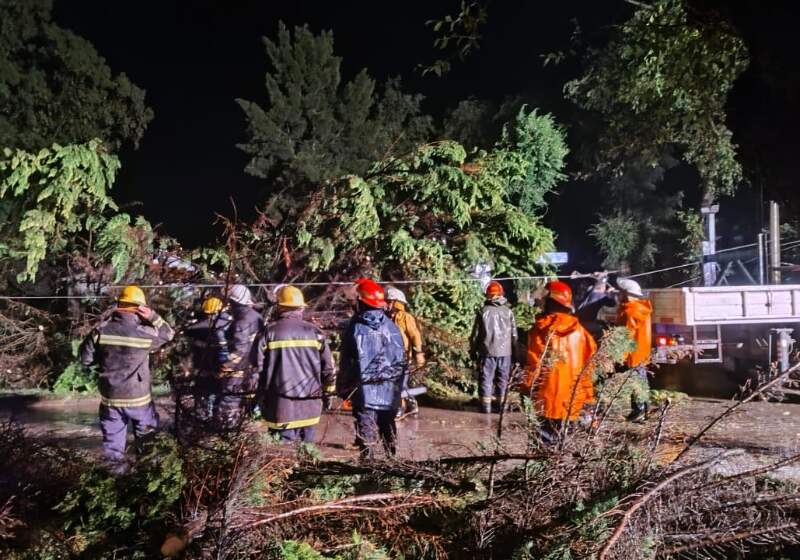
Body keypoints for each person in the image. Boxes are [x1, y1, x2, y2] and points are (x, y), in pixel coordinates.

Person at [79, 285, 174, 472]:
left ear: (119, 304)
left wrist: (103, 364)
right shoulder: (146, 333)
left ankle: (115, 485)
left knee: (113, 449)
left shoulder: (100, 330)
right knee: (148, 447)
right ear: (140, 308)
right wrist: (153, 316)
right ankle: (146, 483)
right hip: (139, 400)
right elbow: (168, 334)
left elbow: (85, 359)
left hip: (111, 399)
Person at [519, 280, 596, 445]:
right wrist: (588, 399)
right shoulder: (582, 333)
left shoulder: (540, 330)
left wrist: (526, 389)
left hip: (545, 399)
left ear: (550, 301)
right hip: (572, 400)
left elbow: (534, 364)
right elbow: (588, 370)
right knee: (562, 449)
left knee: (541, 447)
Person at [256, 285, 335, 442]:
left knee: (281, 460)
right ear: (300, 307)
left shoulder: (268, 333)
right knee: (306, 456)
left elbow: (255, 369)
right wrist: (328, 394)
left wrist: (254, 399)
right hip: (309, 407)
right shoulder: (315, 333)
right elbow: (329, 369)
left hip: (280, 407)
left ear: (279, 307)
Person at [338, 278, 406, 459]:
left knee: (366, 425)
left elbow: (346, 362)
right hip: (389, 389)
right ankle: (393, 462)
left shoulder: (354, 327)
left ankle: (367, 465)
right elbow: (401, 362)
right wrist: (400, 389)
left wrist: (343, 388)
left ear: (361, 302)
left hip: (363, 391)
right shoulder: (392, 327)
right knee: (387, 424)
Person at [217, 284, 264, 427]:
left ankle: (228, 430)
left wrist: (225, 367)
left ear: (234, 302)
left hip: (240, 370)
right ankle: (248, 430)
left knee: (229, 403)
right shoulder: (256, 316)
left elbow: (240, 350)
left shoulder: (241, 323)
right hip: (255, 368)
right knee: (249, 402)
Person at [469, 281, 518, 413]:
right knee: (503, 379)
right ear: (501, 294)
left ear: (488, 295)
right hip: (505, 353)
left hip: (487, 352)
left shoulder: (483, 311)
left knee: (486, 378)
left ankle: (486, 407)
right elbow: (514, 334)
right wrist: (515, 351)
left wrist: (472, 350)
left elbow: (476, 335)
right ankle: (502, 407)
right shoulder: (508, 312)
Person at [184, 295, 231, 422]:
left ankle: (205, 422)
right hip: (222, 371)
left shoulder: (201, 328)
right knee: (218, 399)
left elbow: (190, 331)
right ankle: (216, 421)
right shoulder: (229, 325)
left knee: (204, 400)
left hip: (205, 371)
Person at [615, 278, 653, 423]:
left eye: (620, 292)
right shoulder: (639, 308)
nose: (618, 294)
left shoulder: (630, 311)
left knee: (636, 382)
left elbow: (625, 336)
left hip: (632, 354)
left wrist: (619, 356)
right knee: (640, 380)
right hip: (640, 352)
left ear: (626, 293)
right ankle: (643, 410)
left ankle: (639, 411)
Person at [385, 287, 425, 418]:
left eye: (389, 301)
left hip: (403, 357)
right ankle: (412, 404)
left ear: (397, 302)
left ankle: (399, 407)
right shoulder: (384, 318)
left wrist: (418, 354)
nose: (386, 303)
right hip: (388, 357)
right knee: (395, 383)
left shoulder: (406, 318)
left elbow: (415, 335)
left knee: (400, 383)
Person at [575, 273, 618, 343]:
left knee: (600, 323)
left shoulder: (590, 291)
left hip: (578, 320)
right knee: (604, 329)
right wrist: (611, 293)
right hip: (584, 323)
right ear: (603, 286)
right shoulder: (600, 295)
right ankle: (595, 344)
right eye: (604, 285)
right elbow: (612, 304)